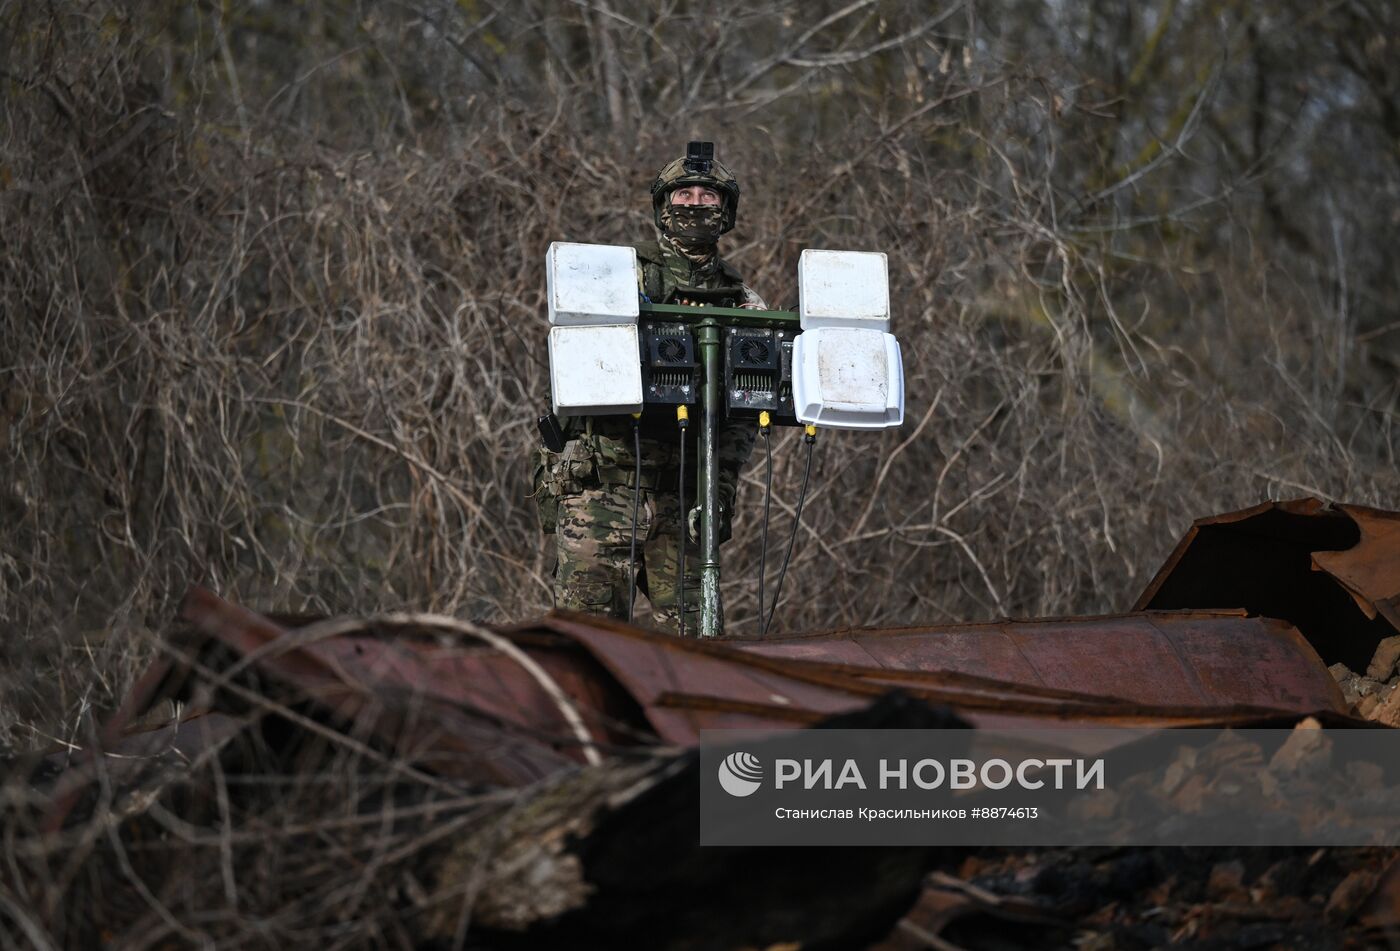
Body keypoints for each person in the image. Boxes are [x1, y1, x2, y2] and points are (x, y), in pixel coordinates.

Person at [533, 143, 765, 634]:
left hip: (682, 498)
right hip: (603, 490)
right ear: (663, 208)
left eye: (708, 195)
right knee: (587, 644)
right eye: (683, 194)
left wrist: (719, 490)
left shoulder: (743, 304)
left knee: (694, 649)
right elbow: (574, 366)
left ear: (725, 213)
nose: (695, 204)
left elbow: (744, 416)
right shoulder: (618, 280)